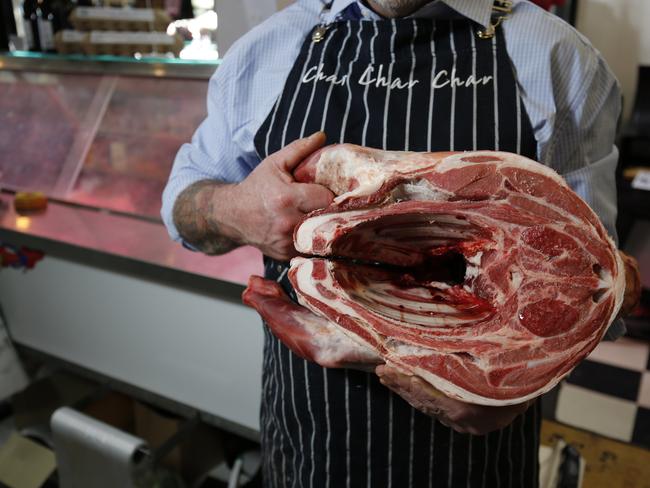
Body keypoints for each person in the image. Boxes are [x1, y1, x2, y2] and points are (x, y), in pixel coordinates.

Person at [162, 0, 633, 486]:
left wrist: (512, 387)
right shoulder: (266, 50)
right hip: (312, 440)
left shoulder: (559, 58)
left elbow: (595, 279)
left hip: (471, 459)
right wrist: (236, 209)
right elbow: (181, 208)